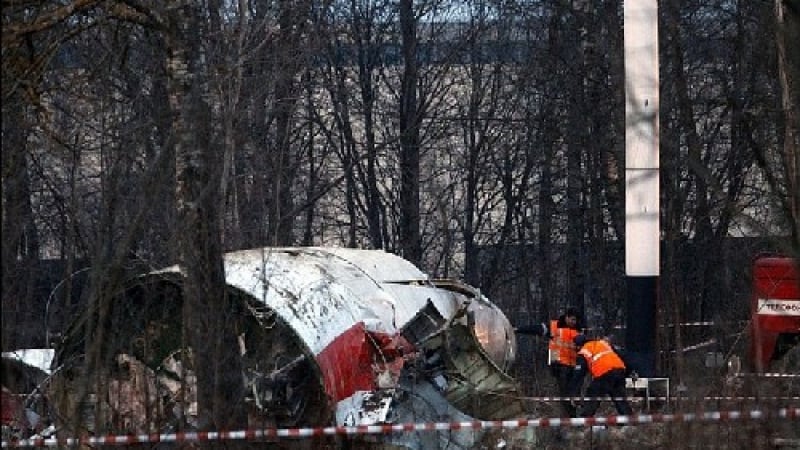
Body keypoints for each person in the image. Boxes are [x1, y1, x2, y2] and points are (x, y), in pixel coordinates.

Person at [516, 308, 583, 417]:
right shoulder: (554, 326)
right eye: (572, 319)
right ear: (566, 317)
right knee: (565, 392)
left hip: (572, 365)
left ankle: (572, 415)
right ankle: (570, 416)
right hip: (559, 364)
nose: (573, 322)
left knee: (572, 392)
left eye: (575, 320)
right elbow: (537, 329)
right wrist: (519, 329)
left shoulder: (578, 330)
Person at [570, 334, 633, 417]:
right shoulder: (602, 344)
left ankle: (585, 419)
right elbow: (622, 355)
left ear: (578, 346)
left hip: (604, 373)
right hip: (620, 370)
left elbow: (579, 375)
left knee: (593, 394)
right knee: (619, 396)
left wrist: (574, 394)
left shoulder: (584, 351)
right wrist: (628, 372)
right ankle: (629, 419)